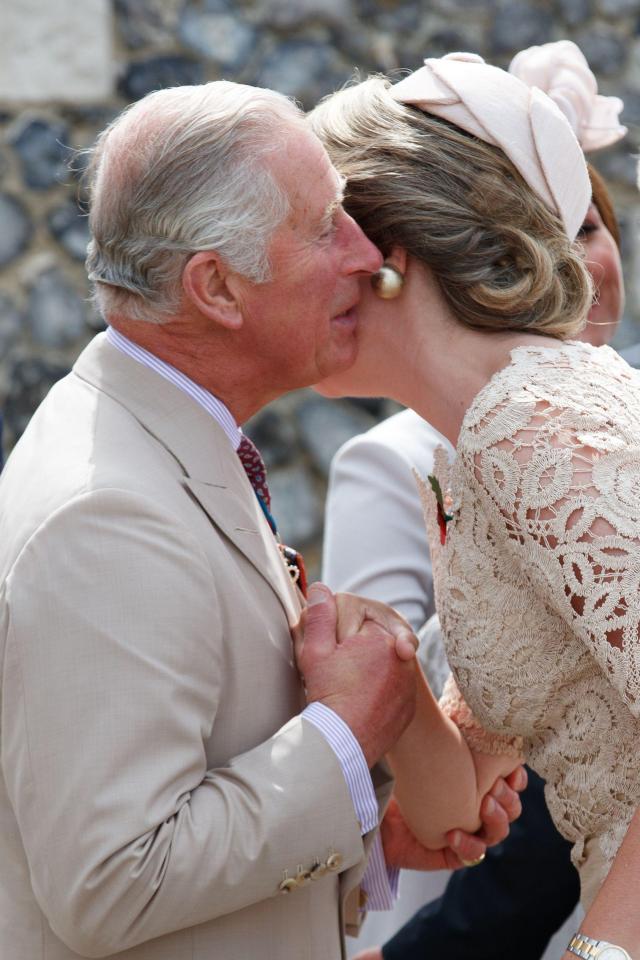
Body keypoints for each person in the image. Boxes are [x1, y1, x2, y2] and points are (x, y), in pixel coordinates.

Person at [0, 81, 523, 960]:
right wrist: (347, 742)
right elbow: (109, 882)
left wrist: (367, 834)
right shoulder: (107, 515)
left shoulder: (157, 444)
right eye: (325, 225)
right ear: (217, 287)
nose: (367, 255)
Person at [308, 48, 640, 959]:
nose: (285, 277)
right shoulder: (473, 446)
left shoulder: (537, 423)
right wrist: (382, 657)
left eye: (311, 232)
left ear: (390, 252)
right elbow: (463, 788)